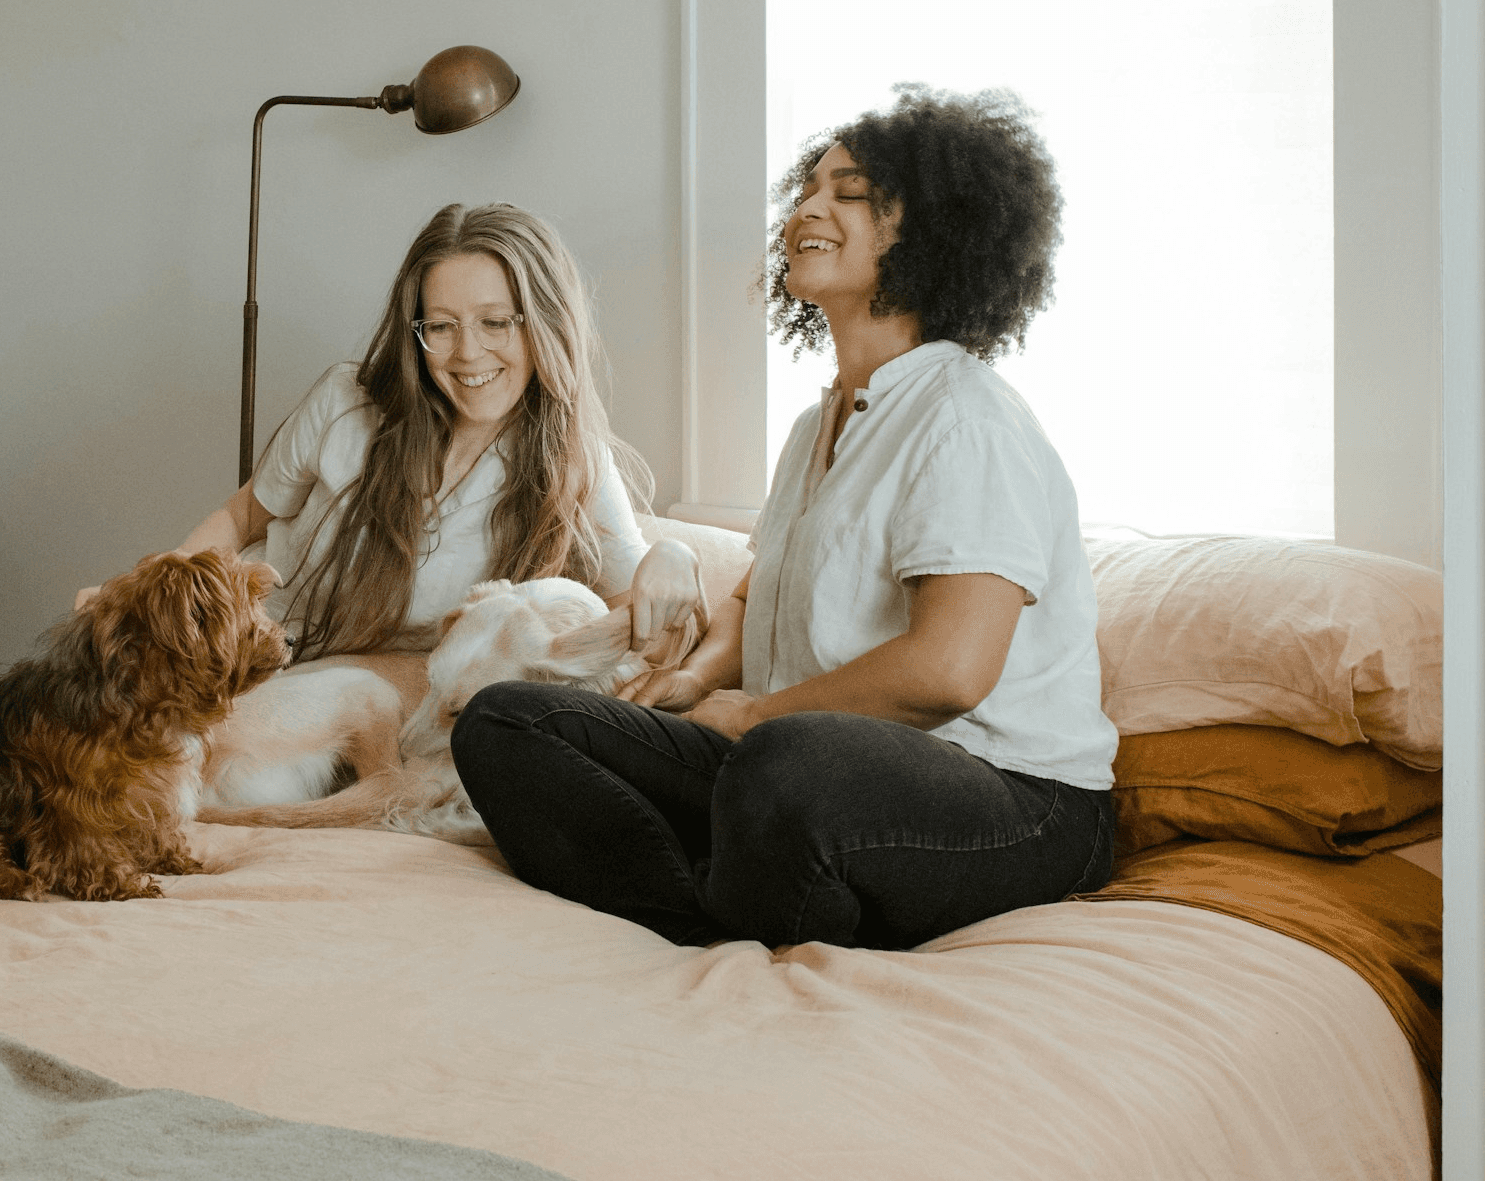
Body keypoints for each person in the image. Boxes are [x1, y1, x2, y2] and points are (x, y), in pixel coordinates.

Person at [451, 85, 1118, 952]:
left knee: (781, 766)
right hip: (794, 764)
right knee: (507, 723)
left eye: (850, 192)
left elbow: (949, 670)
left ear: (933, 230)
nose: (807, 208)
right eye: (807, 189)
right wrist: (695, 682)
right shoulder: (818, 425)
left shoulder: (966, 420)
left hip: (1013, 801)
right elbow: (752, 595)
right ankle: (706, 915)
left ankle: (740, 882)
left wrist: (755, 717)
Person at [104, 202, 705, 671]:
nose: (468, 353)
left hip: (384, 699)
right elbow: (240, 519)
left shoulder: (573, 460)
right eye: (440, 326)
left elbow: (640, 621)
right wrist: (142, 597)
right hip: (248, 661)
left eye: (496, 322)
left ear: (545, 324)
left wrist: (675, 556)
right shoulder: (345, 402)